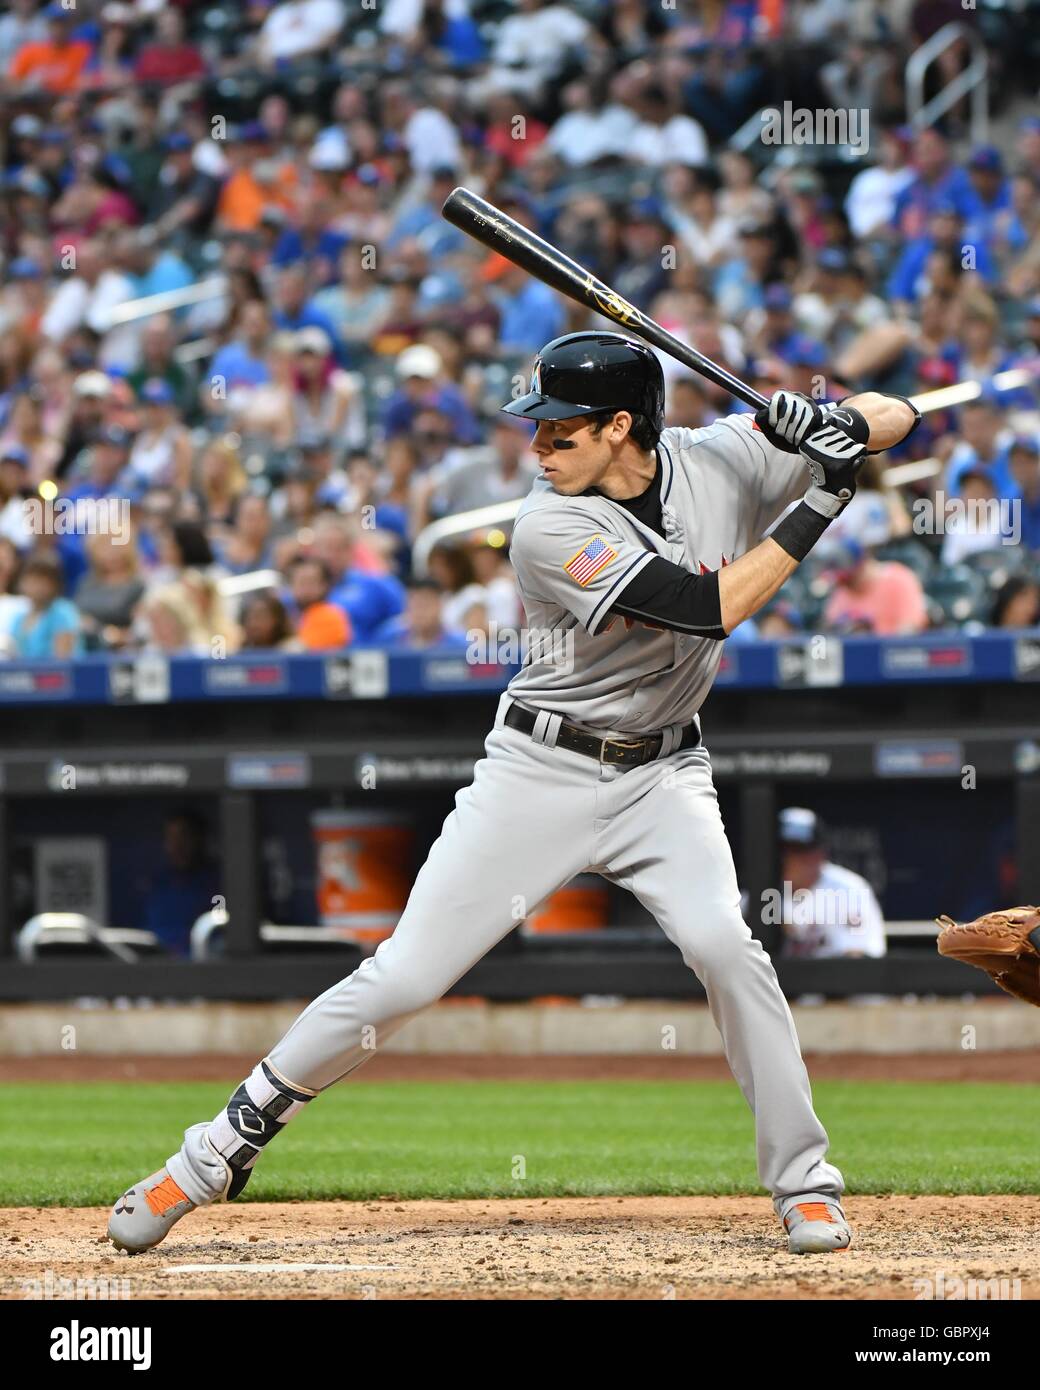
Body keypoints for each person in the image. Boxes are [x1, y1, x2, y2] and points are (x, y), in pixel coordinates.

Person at [107, 330, 920, 1259]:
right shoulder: (547, 525)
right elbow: (710, 606)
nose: (536, 447)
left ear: (622, 425)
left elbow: (901, 416)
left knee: (728, 950)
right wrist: (823, 492)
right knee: (406, 976)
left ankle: (805, 1187)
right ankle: (211, 1154)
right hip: (541, 770)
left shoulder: (727, 455)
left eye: (558, 429)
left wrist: (820, 423)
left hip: (663, 772)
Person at [775, 808, 886, 960]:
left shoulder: (849, 890)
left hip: (832, 982)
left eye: (800, 850)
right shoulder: (759, 888)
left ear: (821, 853)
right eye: (785, 851)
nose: (791, 859)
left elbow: (860, 958)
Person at [142, 811, 222, 957]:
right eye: (171, 838)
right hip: (158, 965)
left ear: (199, 839)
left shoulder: (218, 884)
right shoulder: (157, 883)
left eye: (184, 836)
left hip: (200, 966)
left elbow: (220, 935)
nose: (177, 845)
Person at [11, 551, 81, 658]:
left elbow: (62, 659)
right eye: (34, 579)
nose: (40, 586)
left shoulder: (63, 611)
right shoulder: (18, 619)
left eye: (46, 580)